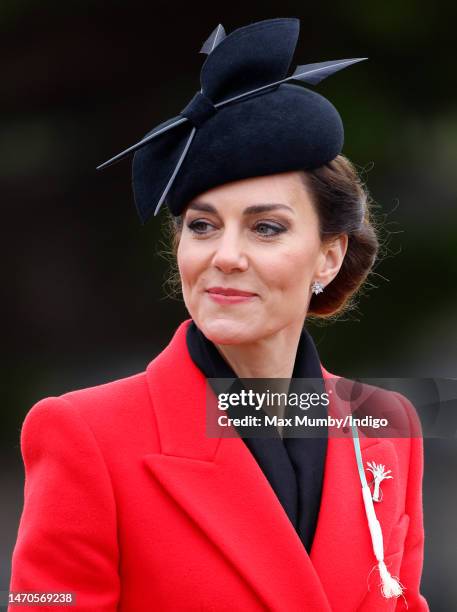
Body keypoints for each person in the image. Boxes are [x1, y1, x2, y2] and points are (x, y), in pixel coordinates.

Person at [9, 17, 428, 612]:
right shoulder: (84, 434)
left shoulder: (386, 424)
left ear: (328, 258)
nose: (225, 256)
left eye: (265, 228)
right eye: (202, 226)